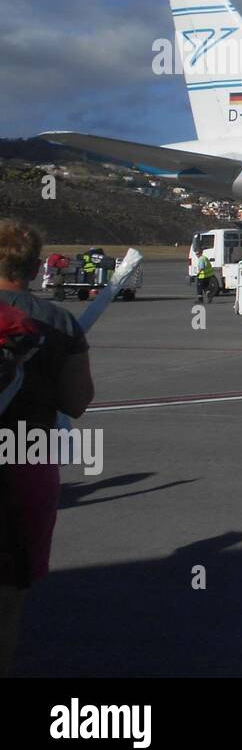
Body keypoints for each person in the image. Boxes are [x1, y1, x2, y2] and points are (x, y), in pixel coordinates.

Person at [0, 221, 95, 674]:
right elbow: (77, 403)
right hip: (28, 451)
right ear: (37, 266)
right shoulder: (59, 322)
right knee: (10, 593)